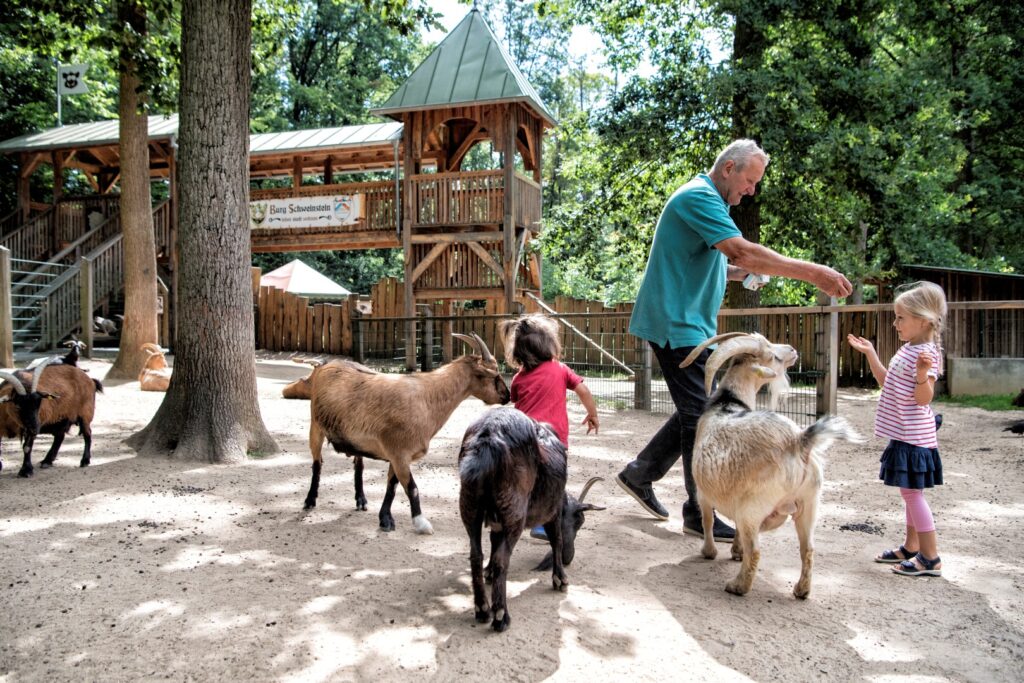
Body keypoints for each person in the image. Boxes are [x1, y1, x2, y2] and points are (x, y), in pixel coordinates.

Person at [616, 139, 853, 542]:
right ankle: (697, 510)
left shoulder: (710, 203)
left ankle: (640, 474)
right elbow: (741, 251)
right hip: (677, 325)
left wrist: (738, 275)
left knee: (697, 409)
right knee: (701, 418)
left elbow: (710, 262)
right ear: (728, 168)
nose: (752, 190)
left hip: (690, 326)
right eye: (749, 179)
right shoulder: (699, 196)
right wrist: (813, 273)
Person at [847, 281, 947, 577]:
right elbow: (887, 382)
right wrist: (871, 354)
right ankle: (911, 547)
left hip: (915, 437)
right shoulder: (910, 349)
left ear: (923, 320)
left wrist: (921, 374)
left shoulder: (925, 354)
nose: (895, 323)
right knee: (909, 493)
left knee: (913, 495)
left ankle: (930, 558)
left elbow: (924, 398)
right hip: (904, 434)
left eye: (901, 317)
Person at [499, 314, 600, 540]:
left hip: (523, 440)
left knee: (527, 481)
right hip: (554, 441)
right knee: (553, 481)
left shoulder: (518, 378)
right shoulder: (560, 369)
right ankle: (543, 524)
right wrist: (592, 414)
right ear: (549, 344)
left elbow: (515, 401)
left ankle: (520, 518)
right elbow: (583, 390)